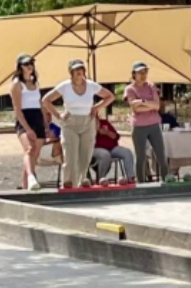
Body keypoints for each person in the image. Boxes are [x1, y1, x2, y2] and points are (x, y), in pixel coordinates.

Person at [41, 60, 115, 189]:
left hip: (88, 122)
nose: (79, 72)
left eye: (81, 69)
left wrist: (96, 107)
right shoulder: (65, 86)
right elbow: (45, 100)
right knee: (71, 157)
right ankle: (69, 184)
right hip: (70, 123)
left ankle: (80, 184)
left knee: (85, 157)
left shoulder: (91, 85)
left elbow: (110, 96)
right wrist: (58, 115)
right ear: (71, 72)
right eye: (76, 70)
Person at [124, 61, 169, 182]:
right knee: (141, 157)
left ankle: (166, 180)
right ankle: (141, 182)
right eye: (140, 72)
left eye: (145, 72)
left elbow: (157, 106)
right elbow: (135, 108)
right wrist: (149, 105)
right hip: (139, 126)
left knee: (161, 155)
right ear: (134, 74)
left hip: (154, 124)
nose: (143, 75)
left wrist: (142, 101)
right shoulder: (130, 89)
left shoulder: (151, 86)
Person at [10, 54, 45, 191]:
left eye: (31, 64)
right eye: (26, 64)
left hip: (37, 118)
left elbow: (40, 104)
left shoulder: (35, 82)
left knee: (34, 155)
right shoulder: (16, 84)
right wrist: (28, 128)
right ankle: (31, 177)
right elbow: (17, 109)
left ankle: (26, 186)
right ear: (20, 67)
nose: (29, 66)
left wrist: (46, 124)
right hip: (25, 118)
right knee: (30, 149)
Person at [91, 115, 135, 184]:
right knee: (105, 154)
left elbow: (116, 136)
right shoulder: (87, 126)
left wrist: (107, 133)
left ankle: (130, 178)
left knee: (127, 152)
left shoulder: (104, 122)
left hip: (112, 148)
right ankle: (101, 180)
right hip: (96, 149)